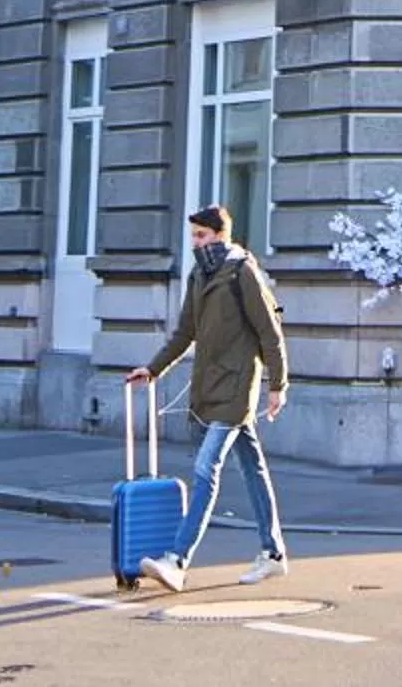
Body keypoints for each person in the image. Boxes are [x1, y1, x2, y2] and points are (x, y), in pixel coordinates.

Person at [125, 202, 289, 592]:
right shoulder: (199, 274)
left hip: (237, 388)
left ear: (220, 235)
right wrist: (153, 369)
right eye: (193, 237)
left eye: (201, 236)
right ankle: (274, 553)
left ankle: (177, 560)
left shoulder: (242, 271)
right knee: (254, 469)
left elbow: (269, 331)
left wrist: (278, 384)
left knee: (205, 468)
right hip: (208, 386)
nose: (196, 244)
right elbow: (185, 333)